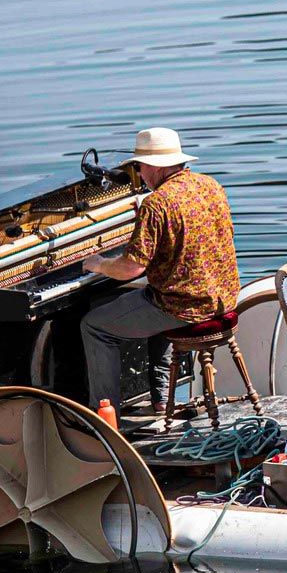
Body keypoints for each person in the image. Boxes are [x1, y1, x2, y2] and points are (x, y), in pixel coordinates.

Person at [81, 127, 240, 409]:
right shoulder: (211, 185)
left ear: (155, 167)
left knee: (94, 326)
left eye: (140, 167)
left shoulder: (157, 204)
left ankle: (106, 417)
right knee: (156, 292)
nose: (140, 174)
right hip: (222, 297)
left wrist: (100, 264)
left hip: (185, 306)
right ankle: (162, 400)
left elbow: (131, 268)